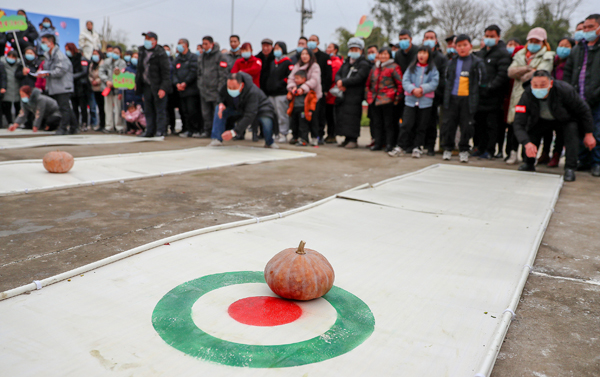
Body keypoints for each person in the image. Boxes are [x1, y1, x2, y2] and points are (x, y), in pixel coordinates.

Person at [513, 70, 596, 181]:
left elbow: (584, 110)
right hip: (540, 120)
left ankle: (570, 168)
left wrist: (589, 133)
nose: (538, 88)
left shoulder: (565, 90)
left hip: (565, 119)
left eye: (542, 85)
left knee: (572, 134)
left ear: (551, 83)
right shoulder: (526, 95)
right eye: (535, 85)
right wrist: (526, 143)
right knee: (531, 134)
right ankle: (529, 163)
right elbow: (518, 122)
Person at [507, 27, 555, 162]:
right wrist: (528, 69)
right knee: (516, 123)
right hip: (517, 95)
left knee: (531, 126)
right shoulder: (520, 54)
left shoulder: (548, 56)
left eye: (537, 41)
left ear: (543, 42)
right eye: (531, 40)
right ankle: (513, 152)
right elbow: (511, 72)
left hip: (535, 96)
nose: (533, 43)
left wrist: (522, 73)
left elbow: (540, 74)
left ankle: (527, 157)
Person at [563, 13, 600, 177]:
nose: (586, 30)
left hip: (597, 99)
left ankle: (597, 162)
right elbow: (568, 72)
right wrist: (570, 92)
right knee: (578, 131)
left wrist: (595, 95)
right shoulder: (578, 49)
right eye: (584, 27)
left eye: (590, 27)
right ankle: (583, 161)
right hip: (578, 98)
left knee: (597, 132)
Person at [441, 34, 486, 162]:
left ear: (470, 46)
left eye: (464, 45)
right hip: (452, 98)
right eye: (459, 46)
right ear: (455, 48)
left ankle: (464, 150)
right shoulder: (451, 62)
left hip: (468, 100)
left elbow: (482, 82)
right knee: (449, 125)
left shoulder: (476, 62)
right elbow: (446, 79)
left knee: (467, 126)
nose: (462, 48)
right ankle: (448, 149)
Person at [472, 24, 511, 160]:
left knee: (491, 125)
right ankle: (480, 148)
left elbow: (502, 75)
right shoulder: (481, 53)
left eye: (492, 36)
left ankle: (490, 150)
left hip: (494, 97)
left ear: (498, 37)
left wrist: (490, 87)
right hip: (479, 96)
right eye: (487, 36)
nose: (488, 39)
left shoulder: (502, 53)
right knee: (479, 125)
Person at [393, 46, 439, 158]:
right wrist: (413, 89)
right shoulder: (411, 68)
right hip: (411, 101)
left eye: (424, 53)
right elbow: (405, 80)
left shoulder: (432, 69)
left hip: (425, 102)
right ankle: (401, 146)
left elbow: (434, 82)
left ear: (429, 55)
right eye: (420, 53)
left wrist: (422, 89)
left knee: (422, 126)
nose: (421, 55)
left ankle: (418, 147)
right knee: (406, 124)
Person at [211, 72, 278, 148]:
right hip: (238, 108)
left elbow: (250, 115)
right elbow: (220, 95)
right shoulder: (227, 85)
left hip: (260, 109)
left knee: (266, 120)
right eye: (229, 87)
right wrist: (221, 103)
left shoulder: (252, 91)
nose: (231, 90)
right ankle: (216, 139)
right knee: (219, 109)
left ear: (241, 85)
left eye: (234, 88)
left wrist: (234, 132)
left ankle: (269, 142)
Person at [334, 37, 371, 149]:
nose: (353, 52)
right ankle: (346, 137)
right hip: (343, 95)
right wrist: (339, 82)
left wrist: (343, 82)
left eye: (356, 49)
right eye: (352, 49)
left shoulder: (364, 64)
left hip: (355, 96)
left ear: (361, 50)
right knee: (343, 117)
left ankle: (353, 139)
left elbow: (358, 78)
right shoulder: (346, 63)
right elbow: (338, 74)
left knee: (353, 117)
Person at [37, 33, 77, 134]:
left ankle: (63, 128)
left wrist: (46, 74)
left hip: (63, 86)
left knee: (64, 108)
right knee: (66, 107)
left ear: (51, 43)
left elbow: (60, 71)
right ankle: (74, 127)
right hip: (55, 86)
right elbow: (47, 68)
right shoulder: (48, 56)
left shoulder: (60, 56)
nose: (42, 44)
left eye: (44, 42)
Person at [365, 46, 403, 152]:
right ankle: (378, 143)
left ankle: (389, 144)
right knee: (377, 123)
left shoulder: (394, 67)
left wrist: (397, 98)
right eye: (381, 54)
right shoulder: (374, 68)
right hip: (375, 99)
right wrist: (368, 96)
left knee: (389, 124)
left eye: (386, 54)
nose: (383, 56)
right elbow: (368, 84)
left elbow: (400, 83)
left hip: (388, 100)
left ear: (390, 55)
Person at [545, 37, 575, 167]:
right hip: (551, 97)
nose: (562, 48)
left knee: (561, 130)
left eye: (566, 46)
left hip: (565, 98)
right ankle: (544, 153)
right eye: (560, 45)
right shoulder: (553, 62)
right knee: (547, 127)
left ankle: (556, 155)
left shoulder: (572, 63)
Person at [135, 31, 172, 137]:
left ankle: (160, 130)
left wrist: (163, 88)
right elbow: (139, 69)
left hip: (158, 85)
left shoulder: (160, 53)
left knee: (160, 110)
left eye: (148, 38)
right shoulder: (142, 51)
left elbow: (166, 73)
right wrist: (137, 83)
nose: (146, 40)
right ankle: (149, 130)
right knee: (148, 109)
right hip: (146, 85)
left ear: (154, 41)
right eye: (145, 38)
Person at [287, 47, 322, 146]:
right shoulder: (297, 65)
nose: (304, 56)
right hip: (298, 99)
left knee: (313, 119)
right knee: (297, 120)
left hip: (312, 98)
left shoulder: (315, 66)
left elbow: (314, 80)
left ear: (310, 56)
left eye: (306, 54)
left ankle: (315, 137)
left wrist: (303, 88)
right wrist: (293, 87)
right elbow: (291, 78)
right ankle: (298, 137)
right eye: (302, 54)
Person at [421, 30, 448, 156]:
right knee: (420, 122)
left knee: (431, 122)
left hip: (434, 96)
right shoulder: (419, 56)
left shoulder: (441, 58)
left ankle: (430, 146)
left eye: (431, 37)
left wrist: (435, 92)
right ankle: (420, 144)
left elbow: (443, 78)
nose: (429, 39)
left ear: (436, 40)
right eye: (426, 37)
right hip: (419, 95)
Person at [197, 35, 229, 138]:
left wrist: (220, 89)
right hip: (204, 90)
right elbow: (199, 73)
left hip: (215, 90)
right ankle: (207, 131)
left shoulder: (220, 56)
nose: (204, 46)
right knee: (205, 114)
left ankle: (217, 133)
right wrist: (200, 85)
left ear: (212, 44)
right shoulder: (201, 57)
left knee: (216, 113)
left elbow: (223, 75)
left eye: (206, 44)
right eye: (203, 44)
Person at [265, 41, 293, 143]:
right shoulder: (273, 62)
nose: (276, 50)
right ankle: (275, 133)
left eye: (278, 48)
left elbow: (289, 76)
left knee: (282, 115)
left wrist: (280, 84)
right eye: (275, 48)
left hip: (281, 93)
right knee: (273, 115)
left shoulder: (287, 62)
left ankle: (283, 133)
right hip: (271, 94)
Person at [173, 38, 202, 138]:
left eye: (180, 44)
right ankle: (187, 129)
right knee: (184, 111)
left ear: (186, 45)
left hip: (191, 90)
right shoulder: (177, 59)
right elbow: (174, 73)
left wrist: (185, 83)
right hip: (180, 91)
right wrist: (177, 83)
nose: (179, 46)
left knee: (192, 111)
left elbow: (193, 72)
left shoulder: (193, 57)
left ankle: (196, 129)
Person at [307, 34, 333, 144]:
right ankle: (308, 135)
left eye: (314, 40)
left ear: (318, 42)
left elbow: (328, 74)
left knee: (320, 114)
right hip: (307, 91)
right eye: (310, 40)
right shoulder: (305, 55)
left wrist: (325, 89)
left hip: (320, 91)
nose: (312, 42)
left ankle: (319, 135)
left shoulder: (324, 56)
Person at [503, 38, 525, 164]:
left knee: (522, 126)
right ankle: (511, 152)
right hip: (511, 100)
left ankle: (524, 154)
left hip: (524, 98)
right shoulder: (511, 65)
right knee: (512, 127)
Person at [99, 45, 126, 133]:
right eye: (114, 52)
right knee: (108, 108)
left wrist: (114, 83)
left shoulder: (122, 63)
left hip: (117, 88)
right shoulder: (106, 62)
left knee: (118, 108)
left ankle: (119, 127)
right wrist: (107, 81)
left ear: (120, 54)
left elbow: (122, 74)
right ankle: (109, 126)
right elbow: (101, 72)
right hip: (107, 87)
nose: (115, 54)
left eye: (117, 53)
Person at [287, 70, 317, 145]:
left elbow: (312, 101)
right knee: (294, 124)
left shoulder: (307, 90)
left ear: (304, 79)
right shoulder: (294, 88)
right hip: (295, 108)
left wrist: (311, 110)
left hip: (303, 109)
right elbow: (289, 96)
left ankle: (304, 139)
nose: (296, 80)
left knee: (303, 125)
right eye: (295, 78)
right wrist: (290, 95)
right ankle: (295, 137)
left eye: (298, 78)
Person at [65, 43, 90, 131]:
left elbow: (84, 72)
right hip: (72, 87)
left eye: (68, 49)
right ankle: (75, 124)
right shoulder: (68, 60)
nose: (67, 52)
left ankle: (84, 123)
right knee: (74, 107)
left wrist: (71, 76)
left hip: (81, 86)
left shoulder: (82, 59)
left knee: (83, 107)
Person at [324, 43, 343, 143]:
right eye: (327, 47)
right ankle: (329, 134)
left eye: (330, 47)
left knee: (331, 116)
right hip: (328, 94)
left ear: (335, 50)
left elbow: (332, 77)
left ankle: (332, 135)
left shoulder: (336, 63)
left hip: (332, 94)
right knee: (328, 115)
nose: (328, 49)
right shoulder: (328, 61)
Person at [1, 51, 21, 127]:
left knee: (18, 106)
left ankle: (17, 123)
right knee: (7, 105)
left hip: (16, 88)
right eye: (10, 56)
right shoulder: (2, 63)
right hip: (6, 87)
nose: (11, 59)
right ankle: (10, 122)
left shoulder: (19, 64)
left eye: (13, 57)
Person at [89, 50, 106, 131]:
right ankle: (100, 125)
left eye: (96, 54)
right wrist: (92, 80)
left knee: (103, 107)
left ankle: (104, 124)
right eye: (93, 54)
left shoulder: (104, 63)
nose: (94, 56)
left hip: (102, 87)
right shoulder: (92, 65)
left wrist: (98, 81)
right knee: (99, 106)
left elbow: (104, 74)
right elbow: (89, 74)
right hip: (94, 88)